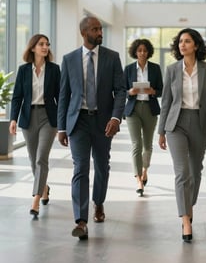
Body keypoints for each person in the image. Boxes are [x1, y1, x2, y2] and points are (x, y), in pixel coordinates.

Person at [57, 16, 126, 240]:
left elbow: (121, 91)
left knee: (102, 166)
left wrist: (116, 118)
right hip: (78, 122)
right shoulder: (68, 60)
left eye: (100, 29)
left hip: (103, 121)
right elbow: (64, 95)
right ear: (84, 32)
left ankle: (98, 202)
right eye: (95, 29)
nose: (100, 33)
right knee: (80, 168)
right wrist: (61, 127)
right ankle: (81, 220)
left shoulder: (112, 57)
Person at [158, 28, 206, 243]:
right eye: (180, 42)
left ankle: (188, 205)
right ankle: (185, 219)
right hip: (176, 124)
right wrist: (161, 131)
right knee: (182, 172)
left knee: (195, 171)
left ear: (196, 45)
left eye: (187, 41)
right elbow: (166, 102)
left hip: (200, 123)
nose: (182, 45)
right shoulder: (172, 69)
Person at [9, 34, 60, 217]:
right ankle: (44, 187)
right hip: (28, 117)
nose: (45, 47)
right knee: (32, 160)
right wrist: (13, 119)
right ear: (33, 48)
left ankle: (36, 199)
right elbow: (17, 97)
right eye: (41, 44)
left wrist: (61, 123)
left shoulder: (54, 69)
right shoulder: (23, 70)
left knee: (41, 158)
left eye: (47, 44)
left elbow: (60, 97)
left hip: (48, 117)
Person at [123, 38, 163, 197]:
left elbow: (161, 90)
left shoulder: (155, 68)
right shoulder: (128, 69)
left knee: (147, 145)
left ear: (148, 52)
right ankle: (139, 179)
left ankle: (145, 170)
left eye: (145, 50)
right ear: (135, 52)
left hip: (149, 108)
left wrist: (152, 91)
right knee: (136, 144)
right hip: (133, 109)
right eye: (139, 50)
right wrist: (129, 92)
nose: (142, 53)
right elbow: (121, 90)